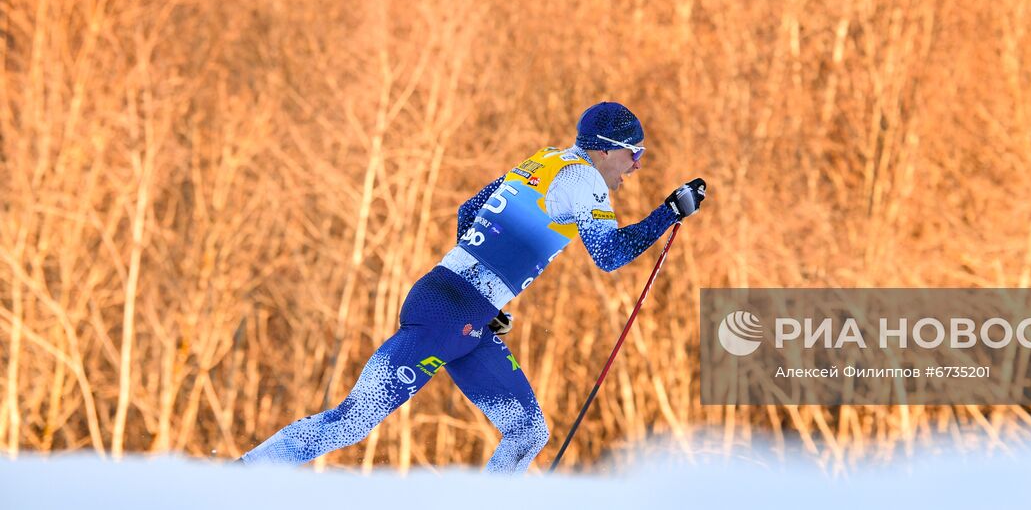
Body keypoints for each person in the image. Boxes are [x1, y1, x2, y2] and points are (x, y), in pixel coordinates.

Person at [240, 101, 706, 473]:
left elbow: (469, 211)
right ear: (605, 149)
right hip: (449, 314)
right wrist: (670, 211)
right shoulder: (585, 180)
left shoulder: (546, 158)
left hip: (462, 310)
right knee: (354, 419)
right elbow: (610, 256)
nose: (636, 167)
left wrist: (488, 293)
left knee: (528, 433)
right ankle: (238, 480)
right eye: (634, 154)